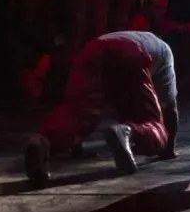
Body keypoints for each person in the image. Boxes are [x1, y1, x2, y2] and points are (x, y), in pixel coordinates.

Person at [24, 30, 179, 184]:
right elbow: (170, 106)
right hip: (129, 52)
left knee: (77, 113)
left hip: (90, 51)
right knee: (153, 123)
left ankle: (43, 140)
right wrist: (168, 150)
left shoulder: (135, 37)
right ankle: (128, 132)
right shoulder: (165, 52)